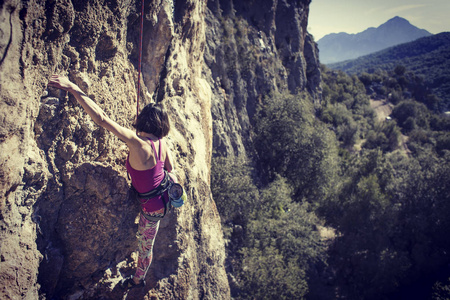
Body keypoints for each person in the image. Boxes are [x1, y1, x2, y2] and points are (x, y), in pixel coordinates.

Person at [48, 74, 174, 288]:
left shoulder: (138, 143)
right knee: (147, 242)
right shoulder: (162, 143)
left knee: (145, 246)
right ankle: (139, 277)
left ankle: (137, 280)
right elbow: (170, 169)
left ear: (143, 120)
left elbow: (102, 119)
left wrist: (72, 88)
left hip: (150, 208)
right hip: (162, 199)